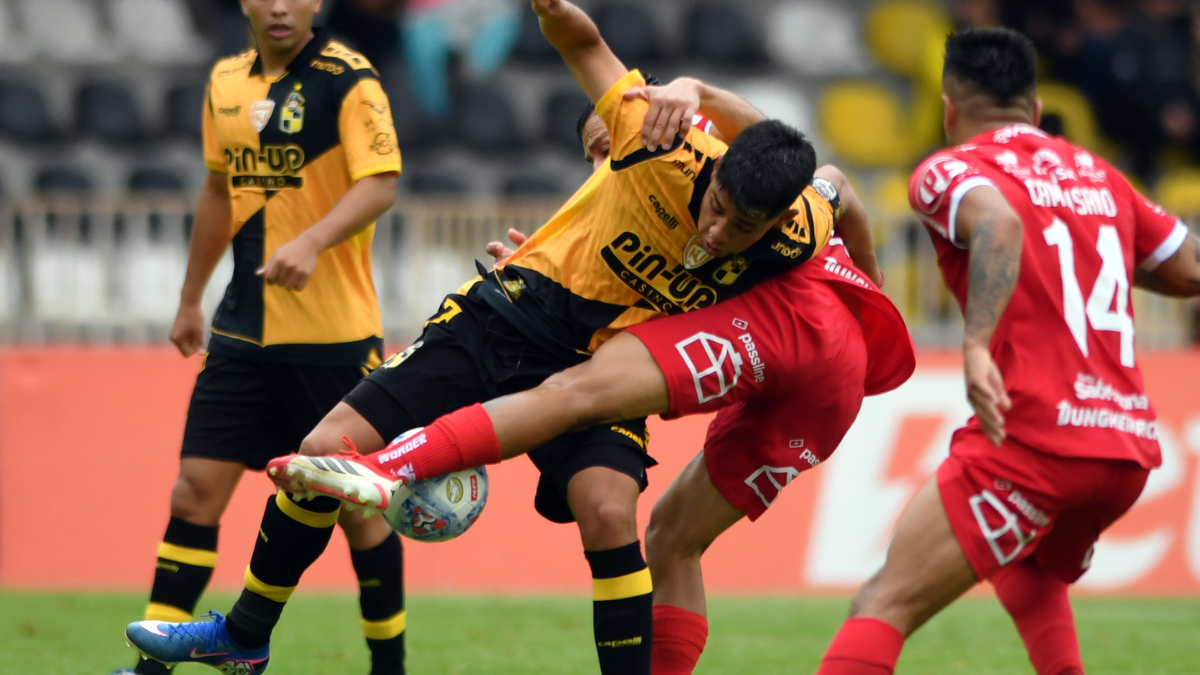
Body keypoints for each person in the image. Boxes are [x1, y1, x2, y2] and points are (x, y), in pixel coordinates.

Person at [124, 1, 832, 674]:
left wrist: (871, 274)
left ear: (776, 225)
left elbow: (824, 179)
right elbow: (580, 41)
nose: (716, 232)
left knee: (611, 511)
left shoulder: (797, 230)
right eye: (716, 209)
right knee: (318, 450)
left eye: (741, 228)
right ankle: (245, 636)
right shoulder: (662, 144)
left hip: (602, 369)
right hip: (502, 317)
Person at [268, 93, 914, 675]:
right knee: (671, 537)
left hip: (790, 327)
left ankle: (389, 466)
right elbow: (839, 187)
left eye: (614, 147)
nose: (607, 164)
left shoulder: (697, 181)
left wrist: (689, 85)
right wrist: (869, 273)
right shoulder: (777, 195)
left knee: (576, 395)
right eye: (595, 154)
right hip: (838, 380)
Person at [809, 28, 1200, 675]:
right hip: (1124, 448)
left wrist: (976, 343)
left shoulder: (950, 167)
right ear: (1037, 109)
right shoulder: (1101, 177)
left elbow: (1000, 222)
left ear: (948, 108)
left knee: (882, 601)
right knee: (1029, 568)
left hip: (1036, 437)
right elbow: (1188, 270)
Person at [118, 1, 403, 674]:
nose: (279, 5)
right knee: (193, 492)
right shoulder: (226, 83)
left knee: (360, 516)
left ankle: (390, 666)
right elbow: (220, 193)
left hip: (334, 338)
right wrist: (191, 299)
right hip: (242, 330)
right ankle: (151, 668)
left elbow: (382, 182)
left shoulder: (349, 76)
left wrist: (310, 241)